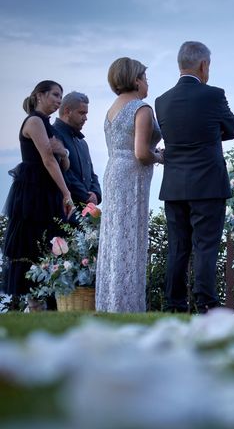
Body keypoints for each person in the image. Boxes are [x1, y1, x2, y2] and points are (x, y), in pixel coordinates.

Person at [156, 41, 234, 314]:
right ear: (204, 65)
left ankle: (174, 304)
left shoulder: (162, 101)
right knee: (205, 246)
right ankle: (206, 303)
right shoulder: (213, 95)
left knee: (178, 248)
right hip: (208, 184)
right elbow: (232, 129)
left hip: (175, 185)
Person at [96, 57, 163, 313]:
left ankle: (109, 302)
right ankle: (126, 305)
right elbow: (141, 153)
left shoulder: (112, 109)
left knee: (115, 237)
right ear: (136, 80)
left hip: (113, 172)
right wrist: (160, 157)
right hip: (132, 176)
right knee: (130, 237)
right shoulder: (141, 109)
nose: (147, 83)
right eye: (145, 78)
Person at [2, 80, 75, 308]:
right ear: (39, 95)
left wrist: (63, 151)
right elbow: (47, 159)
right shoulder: (34, 121)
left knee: (50, 245)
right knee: (32, 246)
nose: (58, 101)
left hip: (46, 191)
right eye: (54, 95)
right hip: (33, 193)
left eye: (61, 97)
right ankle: (34, 304)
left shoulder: (49, 125)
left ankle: (45, 303)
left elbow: (63, 163)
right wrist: (67, 193)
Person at [53, 91, 102, 210]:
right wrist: (86, 196)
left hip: (84, 211)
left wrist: (96, 194)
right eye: (81, 113)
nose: (85, 118)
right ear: (67, 111)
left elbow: (92, 174)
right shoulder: (53, 134)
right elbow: (63, 172)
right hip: (62, 209)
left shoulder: (82, 142)